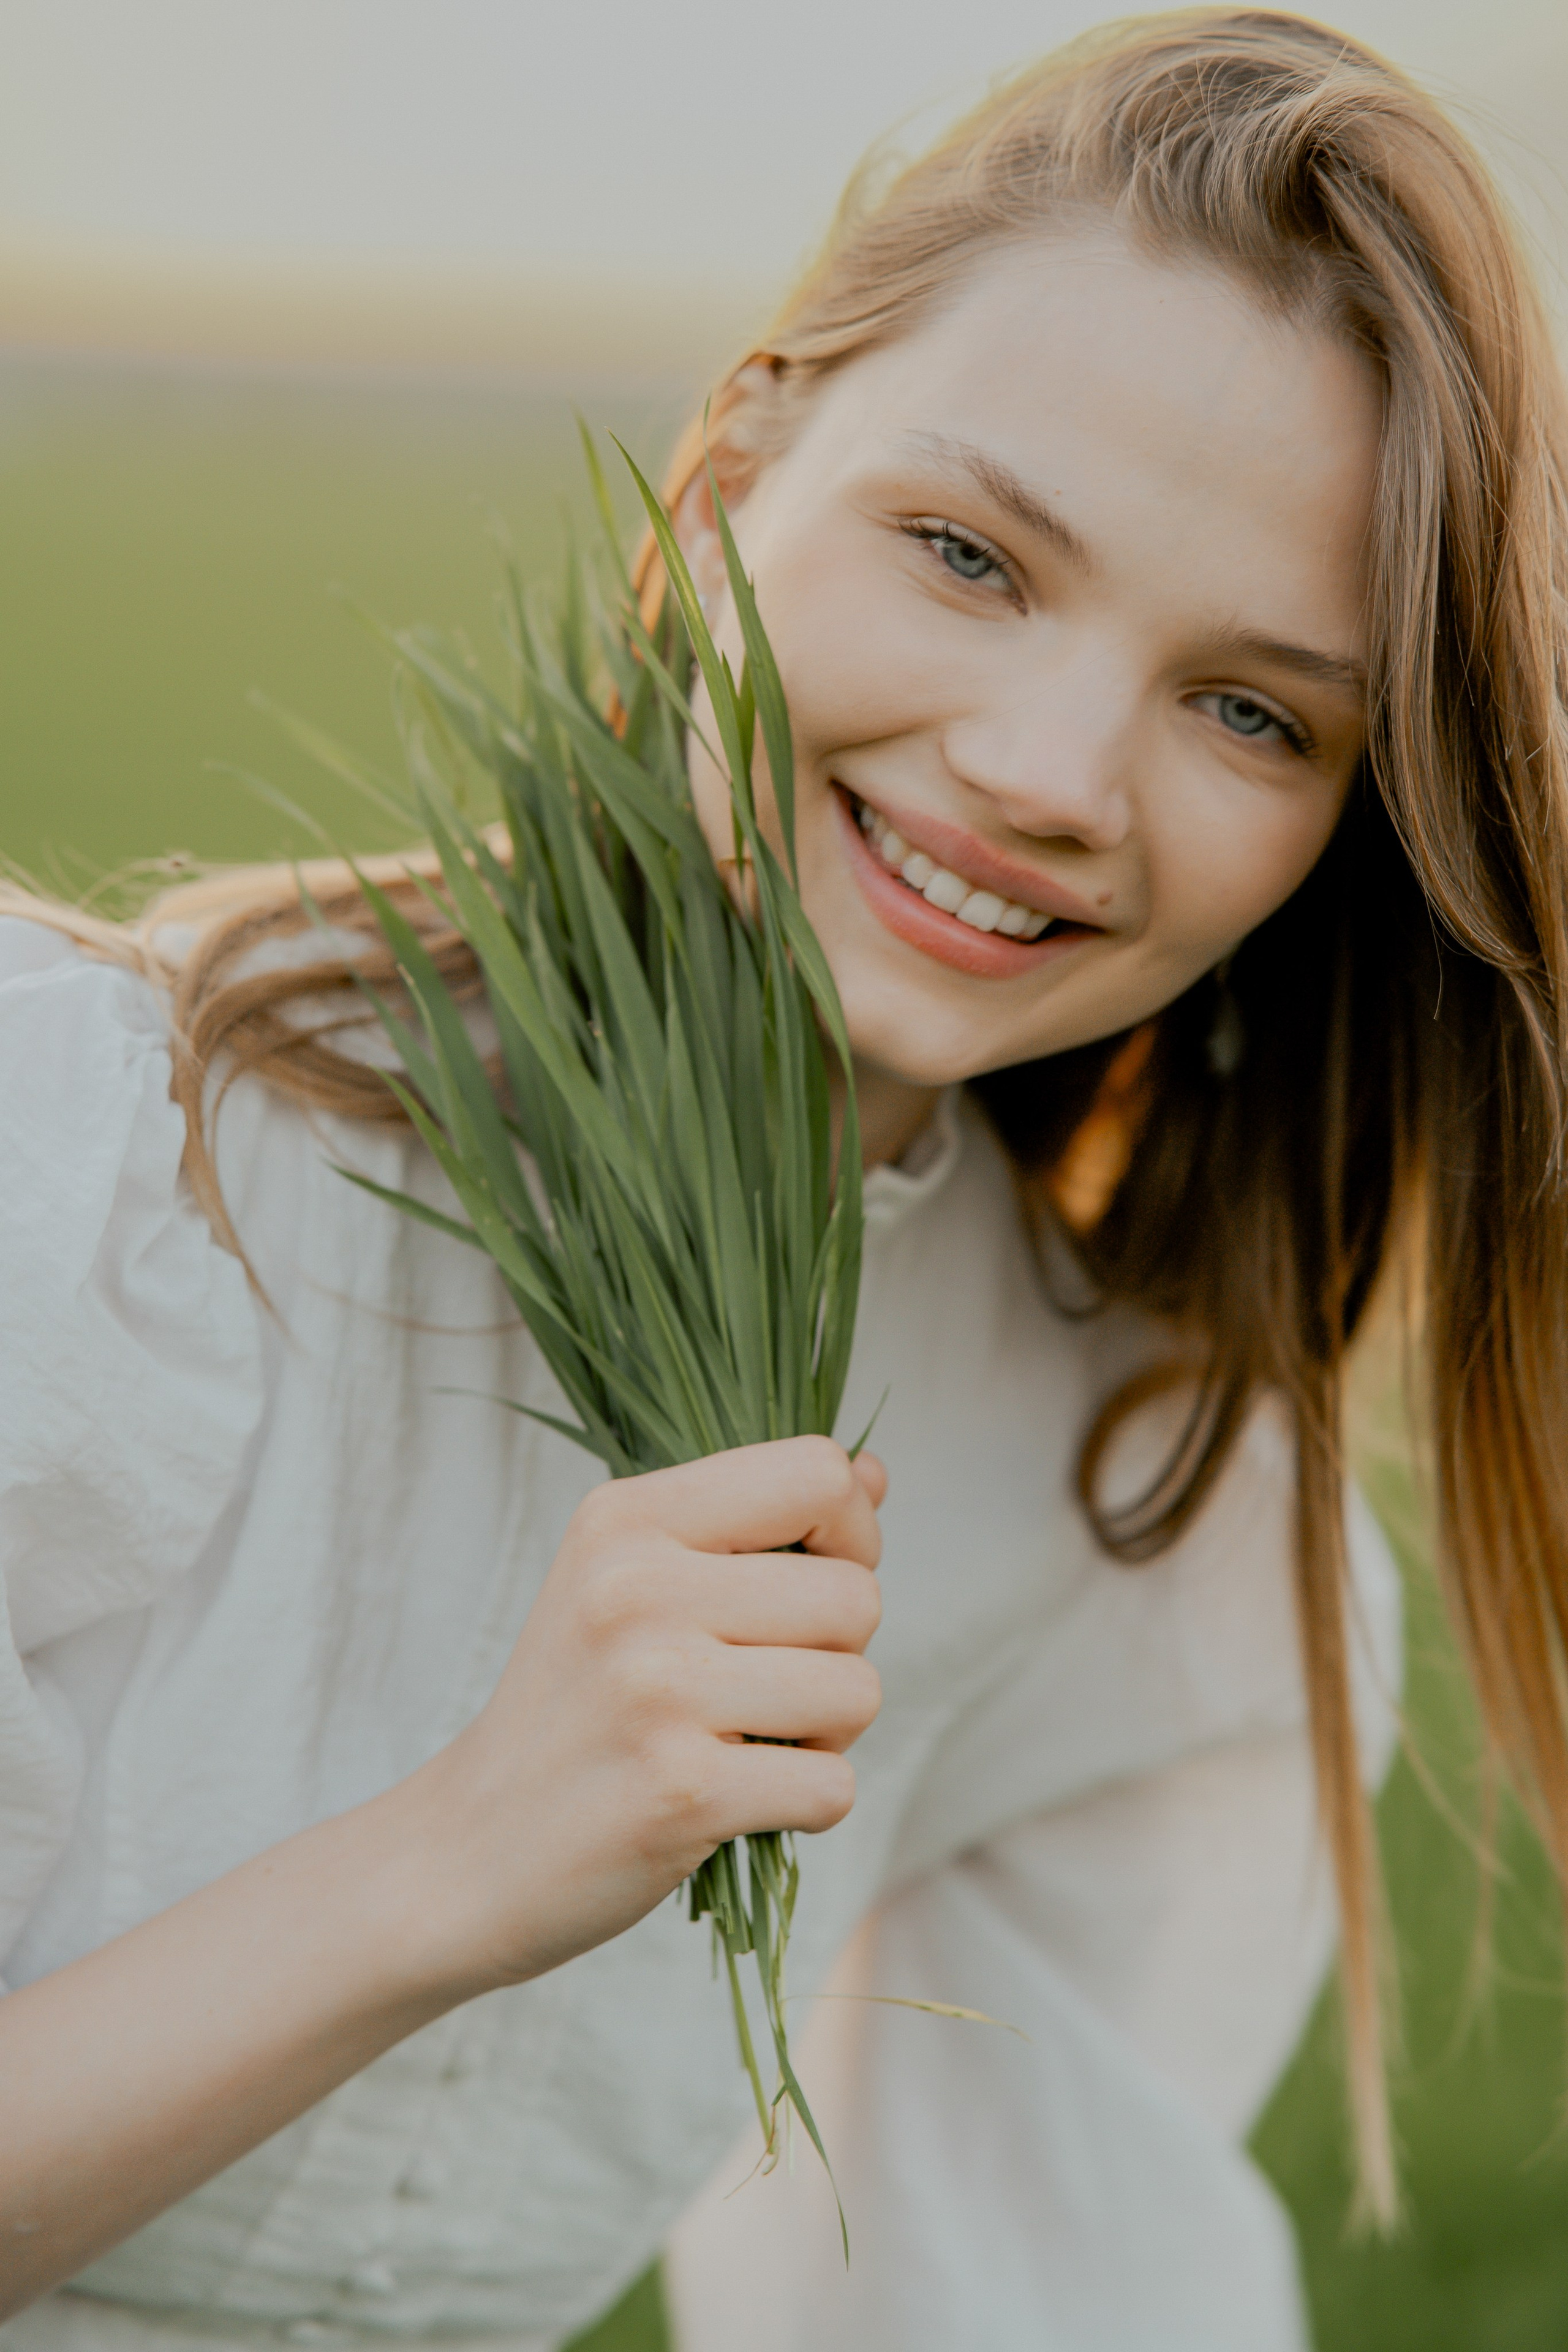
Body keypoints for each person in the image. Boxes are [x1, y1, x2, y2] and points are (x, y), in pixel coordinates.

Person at [2, 9, 1564, 2346]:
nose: (1048, 769)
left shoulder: (1130, 1497)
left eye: (1252, 710)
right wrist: (455, 1861)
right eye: (966, 553)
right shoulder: (95, 1166)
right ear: (732, 475)